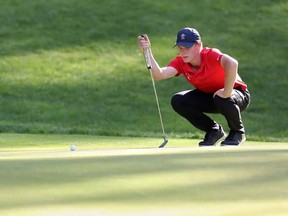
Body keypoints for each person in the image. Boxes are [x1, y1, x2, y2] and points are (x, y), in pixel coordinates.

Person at [138, 27, 250, 146]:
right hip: (212, 97)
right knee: (178, 100)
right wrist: (147, 51)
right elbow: (159, 74)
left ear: (199, 45)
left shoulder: (210, 54)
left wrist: (226, 93)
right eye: (180, 48)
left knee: (221, 97)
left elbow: (232, 63)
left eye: (187, 48)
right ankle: (214, 131)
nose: (183, 52)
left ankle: (238, 133)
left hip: (237, 95)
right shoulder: (181, 62)